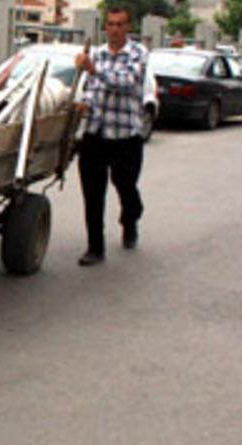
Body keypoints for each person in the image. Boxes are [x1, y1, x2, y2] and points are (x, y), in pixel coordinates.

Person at [74, 7, 148, 267]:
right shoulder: (97, 53)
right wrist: (84, 103)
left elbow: (126, 82)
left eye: (120, 24)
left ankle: (131, 218)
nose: (115, 29)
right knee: (92, 193)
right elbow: (91, 89)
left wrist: (94, 70)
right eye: (111, 24)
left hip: (125, 135)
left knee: (125, 186)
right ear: (105, 27)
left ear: (128, 27)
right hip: (96, 132)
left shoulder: (138, 53)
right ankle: (95, 247)